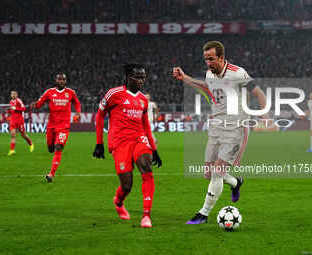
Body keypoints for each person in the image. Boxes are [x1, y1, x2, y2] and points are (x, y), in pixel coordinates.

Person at [173, 41, 267, 224]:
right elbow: (207, 87)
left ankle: (203, 213)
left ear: (222, 58)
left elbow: (259, 93)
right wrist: (186, 78)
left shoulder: (237, 73)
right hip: (216, 126)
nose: (208, 63)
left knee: (217, 172)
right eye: (206, 59)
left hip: (235, 128)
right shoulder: (210, 73)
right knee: (208, 173)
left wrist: (264, 115)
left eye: (212, 59)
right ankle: (235, 182)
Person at [93, 63, 162, 228]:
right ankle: (118, 201)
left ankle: (146, 216)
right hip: (120, 142)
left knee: (146, 167)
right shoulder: (114, 94)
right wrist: (99, 142)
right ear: (129, 77)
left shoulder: (143, 100)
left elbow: (145, 125)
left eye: (144, 77)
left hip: (139, 138)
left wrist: (154, 149)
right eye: (138, 77)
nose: (142, 81)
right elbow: (100, 115)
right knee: (127, 185)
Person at [30, 74, 81, 182]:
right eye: (60, 79)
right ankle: (51, 148)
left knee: (58, 147)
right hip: (51, 126)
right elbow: (40, 103)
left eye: (63, 79)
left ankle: (51, 174)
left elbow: (77, 103)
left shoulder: (70, 92)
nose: (62, 81)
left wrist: (78, 113)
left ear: (66, 81)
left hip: (64, 126)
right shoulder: (49, 92)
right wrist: (35, 105)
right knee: (50, 149)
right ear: (56, 80)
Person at [7, 90, 34, 156]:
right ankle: (12, 150)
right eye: (12, 94)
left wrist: (16, 109)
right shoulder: (10, 102)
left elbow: (24, 108)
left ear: (17, 95)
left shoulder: (19, 101)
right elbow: (12, 110)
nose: (13, 95)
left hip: (19, 121)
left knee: (23, 135)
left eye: (14, 94)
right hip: (13, 120)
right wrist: (9, 112)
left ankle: (31, 144)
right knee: (13, 135)